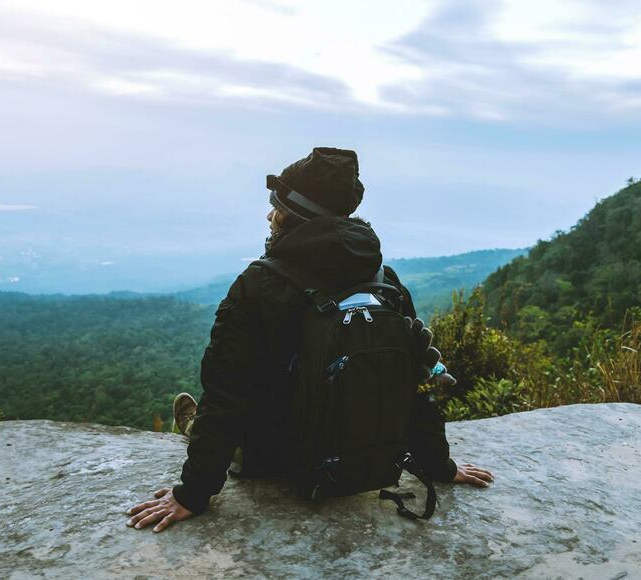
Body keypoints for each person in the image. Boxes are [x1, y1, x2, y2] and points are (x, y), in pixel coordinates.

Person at [126, 147, 494, 532]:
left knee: (213, 412)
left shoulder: (259, 286)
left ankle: (189, 425)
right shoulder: (386, 284)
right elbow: (413, 383)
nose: (270, 215)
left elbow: (226, 396)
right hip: (363, 455)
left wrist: (191, 494)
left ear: (299, 218)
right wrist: (439, 466)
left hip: (274, 461)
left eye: (277, 207)